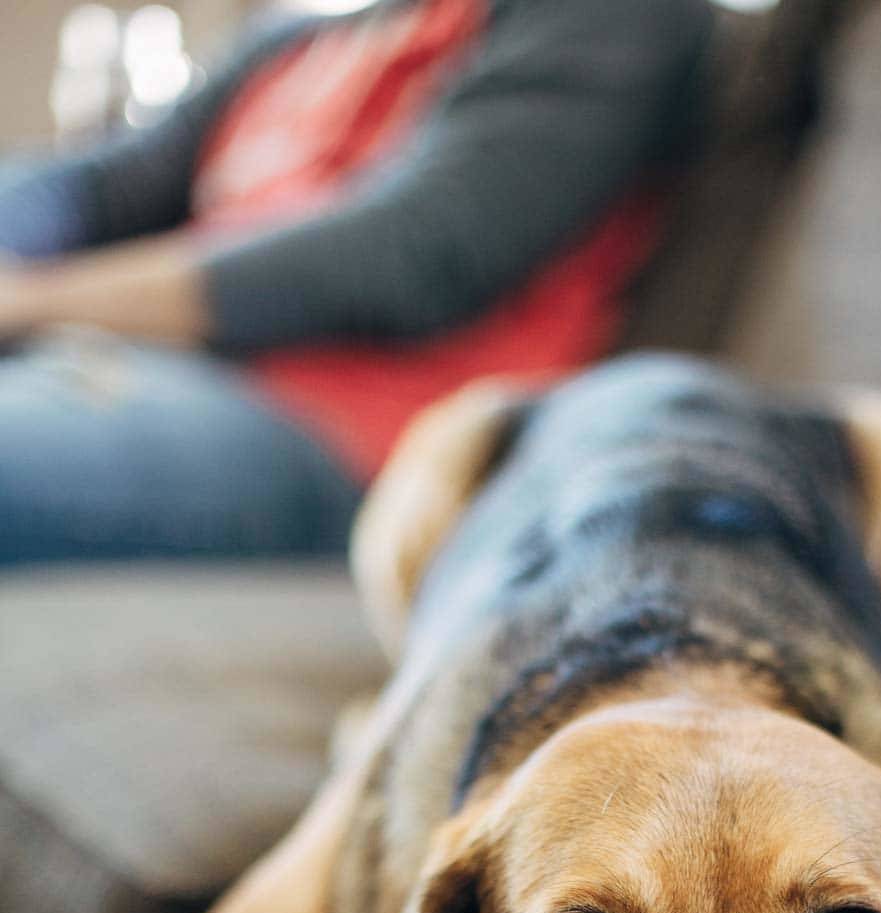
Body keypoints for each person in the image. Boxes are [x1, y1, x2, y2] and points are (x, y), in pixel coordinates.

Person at [0, 0, 710, 563]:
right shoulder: (304, 42)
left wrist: (36, 299)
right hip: (156, 372)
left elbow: (412, 256)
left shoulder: (609, 15)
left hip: (348, 441)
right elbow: (99, 189)